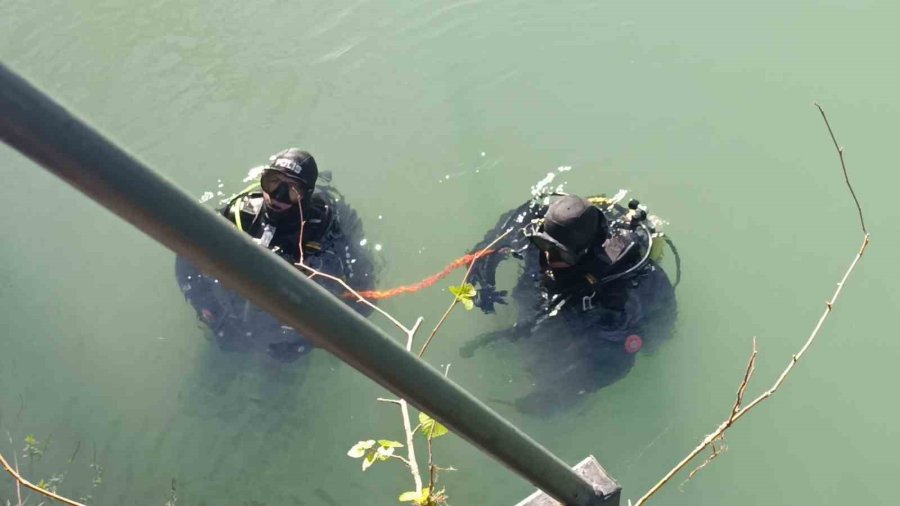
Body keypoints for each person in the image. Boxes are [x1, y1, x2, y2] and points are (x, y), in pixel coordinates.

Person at [463, 192, 678, 413]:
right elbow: (514, 222)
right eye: (543, 244)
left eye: (560, 254)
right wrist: (482, 271)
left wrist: (557, 397)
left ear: (587, 253)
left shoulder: (622, 290)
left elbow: (614, 363)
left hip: (599, 320)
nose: (548, 257)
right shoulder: (541, 236)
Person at [175, 148, 376, 362]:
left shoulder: (329, 231)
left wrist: (307, 341)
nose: (277, 195)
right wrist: (208, 309)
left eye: (291, 190)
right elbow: (187, 255)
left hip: (289, 338)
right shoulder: (238, 215)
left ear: (306, 195)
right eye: (272, 182)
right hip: (233, 325)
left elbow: (363, 296)